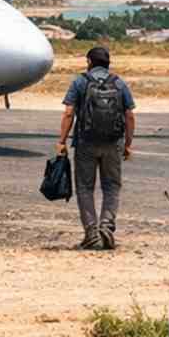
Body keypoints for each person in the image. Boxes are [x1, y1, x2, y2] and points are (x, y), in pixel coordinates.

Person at [56, 45, 135, 250]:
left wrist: (62, 141)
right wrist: (127, 143)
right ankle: (107, 227)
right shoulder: (119, 83)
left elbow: (68, 113)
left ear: (89, 62)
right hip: (113, 144)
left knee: (85, 187)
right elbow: (130, 115)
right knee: (111, 187)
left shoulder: (80, 82)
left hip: (85, 143)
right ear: (108, 63)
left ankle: (91, 233)